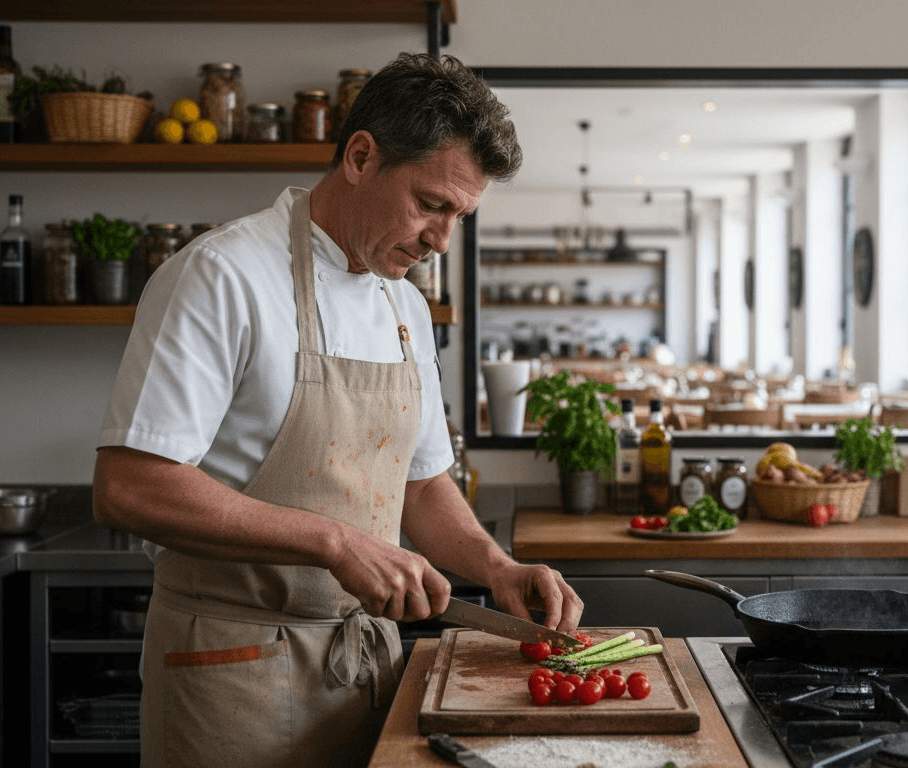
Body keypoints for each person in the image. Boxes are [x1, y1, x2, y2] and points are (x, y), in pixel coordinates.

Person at [92, 53, 583, 767]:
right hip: (233, 673)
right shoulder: (222, 275)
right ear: (360, 156)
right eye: (430, 204)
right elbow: (129, 485)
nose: (441, 239)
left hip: (367, 673)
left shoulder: (404, 303)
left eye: (460, 215)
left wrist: (494, 565)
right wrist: (334, 541)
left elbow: (418, 482)